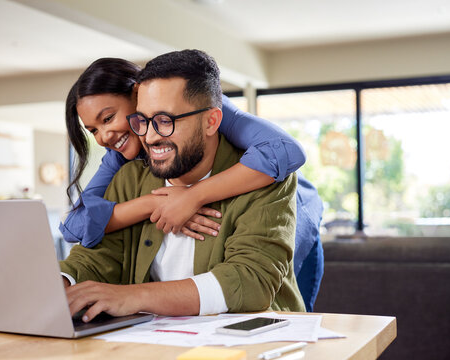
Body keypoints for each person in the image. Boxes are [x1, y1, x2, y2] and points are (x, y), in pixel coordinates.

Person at [60, 57, 324, 311]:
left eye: (165, 120)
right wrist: (55, 285)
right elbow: (83, 235)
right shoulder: (124, 170)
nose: (104, 136)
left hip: (300, 211)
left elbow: (287, 153)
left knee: (284, 292)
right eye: (92, 130)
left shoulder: (262, 167)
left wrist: (191, 196)